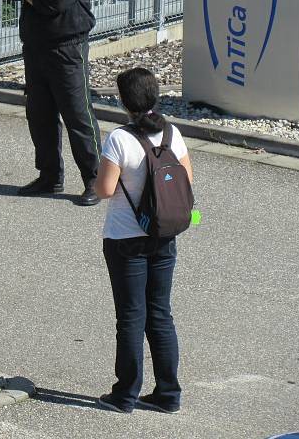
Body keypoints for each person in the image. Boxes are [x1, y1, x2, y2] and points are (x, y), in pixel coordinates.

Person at [93, 67, 192, 414]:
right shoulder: (172, 133)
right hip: (164, 236)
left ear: (124, 101)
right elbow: (186, 180)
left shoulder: (120, 139)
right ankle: (168, 393)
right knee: (160, 313)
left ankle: (125, 394)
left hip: (126, 239)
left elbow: (104, 190)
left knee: (131, 317)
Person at [2, 0, 102, 206]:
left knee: (77, 115)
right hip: (34, 47)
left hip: (67, 49)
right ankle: (49, 177)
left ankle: (94, 180)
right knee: (40, 115)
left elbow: (56, 3)